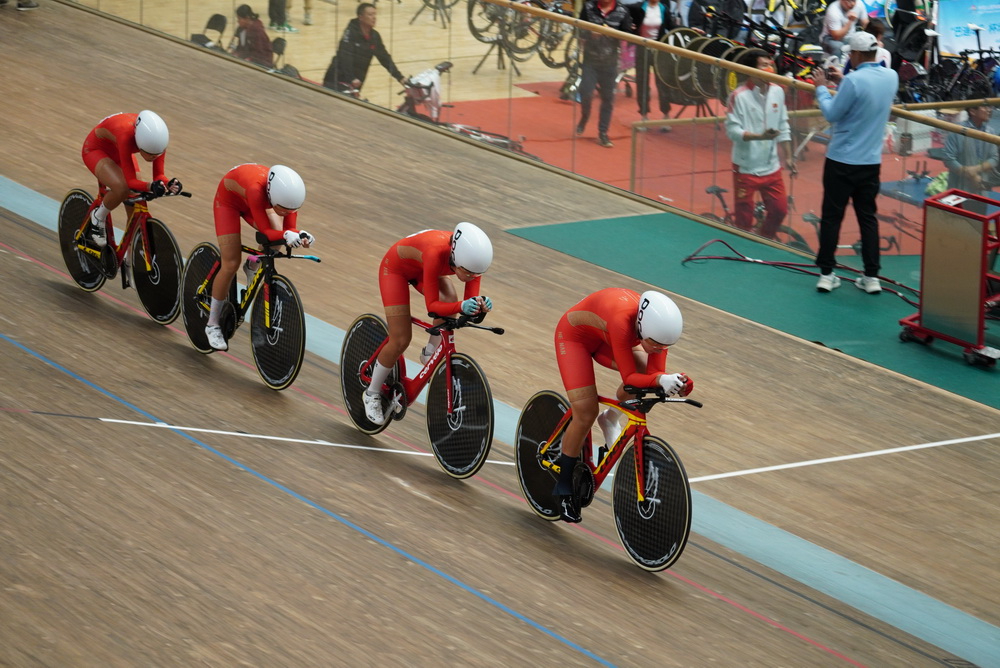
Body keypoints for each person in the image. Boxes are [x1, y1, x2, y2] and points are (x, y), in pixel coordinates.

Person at [552, 288, 692, 523]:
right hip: (574, 338)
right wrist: (660, 379)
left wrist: (679, 383)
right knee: (586, 413)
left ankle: (610, 418)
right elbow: (630, 379)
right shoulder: (622, 321)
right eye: (654, 344)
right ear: (643, 329)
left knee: (647, 376)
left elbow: (654, 373)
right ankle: (563, 488)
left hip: (605, 337)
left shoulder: (656, 330)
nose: (658, 350)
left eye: (663, 347)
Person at [363, 223, 494, 424]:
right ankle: (371, 393)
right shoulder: (436, 252)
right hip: (396, 270)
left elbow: (468, 306)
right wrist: (462, 306)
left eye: (476, 275)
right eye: (467, 273)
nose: (471, 278)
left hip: (422, 269)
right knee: (401, 339)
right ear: (456, 259)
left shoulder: (472, 263)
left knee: (451, 300)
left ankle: (430, 353)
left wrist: (479, 308)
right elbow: (433, 306)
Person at [811, 31, 897, 295]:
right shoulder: (891, 77)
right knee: (867, 218)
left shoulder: (854, 81)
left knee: (832, 217)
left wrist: (822, 88)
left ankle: (826, 274)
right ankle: (872, 277)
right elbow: (865, 93)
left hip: (841, 161)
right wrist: (845, 81)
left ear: (857, 55)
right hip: (870, 163)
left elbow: (832, 113)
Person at [205, 164, 315, 351]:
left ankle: (253, 265)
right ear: (273, 197)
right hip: (228, 202)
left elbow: (289, 229)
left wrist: (301, 235)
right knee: (231, 263)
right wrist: (286, 235)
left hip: (251, 201)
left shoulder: (287, 198)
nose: (286, 213)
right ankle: (212, 325)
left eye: (291, 210)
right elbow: (266, 232)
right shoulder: (257, 190)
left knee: (279, 230)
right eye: (282, 209)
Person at [80, 110, 182, 248]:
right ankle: (98, 217)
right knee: (122, 188)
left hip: (120, 150)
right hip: (96, 150)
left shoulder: (158, 141)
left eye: (157, 154)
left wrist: (168, 183)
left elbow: (158, 176)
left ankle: (128, 255)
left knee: (136, 203)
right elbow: (130, 183)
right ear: (139, 143)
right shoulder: (126, 137)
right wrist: (151, 186)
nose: (154, 158)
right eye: (150, 154)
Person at [724, 49, 796, 239]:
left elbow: (783, 124)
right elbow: (732, 131)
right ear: (751, 70)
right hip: (746, 169)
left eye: (770, 64)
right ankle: (744, 254)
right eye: (763, 65)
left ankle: (765, 239)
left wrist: (788, 156)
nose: (769, 68)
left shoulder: (778, 91)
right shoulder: (738, 96)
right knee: (743, 222)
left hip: (772, 167)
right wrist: (759, 137)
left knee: (780, 210)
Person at [575, 0, 633, 148]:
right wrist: (589, 34)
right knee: (586, 92)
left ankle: (603, 133)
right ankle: (585, 116)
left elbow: (628, 36)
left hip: (610, 63)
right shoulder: (588, 7)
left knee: (608, 99)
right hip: (590, 61)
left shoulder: (622, 11)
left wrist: (613, 34)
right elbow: (578, 30)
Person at [321, 3, 405, 95]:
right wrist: (351, 78)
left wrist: (400, 77)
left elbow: (385, 58)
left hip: (354, 84)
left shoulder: (374, 36)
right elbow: (345, 57)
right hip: (336, 80)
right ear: (360, 17)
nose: (374, 17)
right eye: (370, 15)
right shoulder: (350, 33)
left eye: (375, 14)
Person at [629, 0, 673, 131]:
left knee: (662, 83)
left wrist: (689, 30)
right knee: (642, 82)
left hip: (659, 50)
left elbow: (673, 27)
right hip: (642, 49)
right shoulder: (638, 8)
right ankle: (644, 116)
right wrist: (630, 26)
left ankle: (666, 115)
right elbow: (623, 12)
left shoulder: (663, 9)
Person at [942, 104, 998, 204]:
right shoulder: (957, 130)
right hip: (957, 189)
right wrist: (970, 174)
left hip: (981, 188)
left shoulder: (990, 132)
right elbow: (948, 159)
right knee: (955, 217)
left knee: (979, 217)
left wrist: (975, 170)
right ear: (972, 111)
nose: (989, 110)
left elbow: (994, 158)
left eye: (989, 107)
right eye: (985, 107)